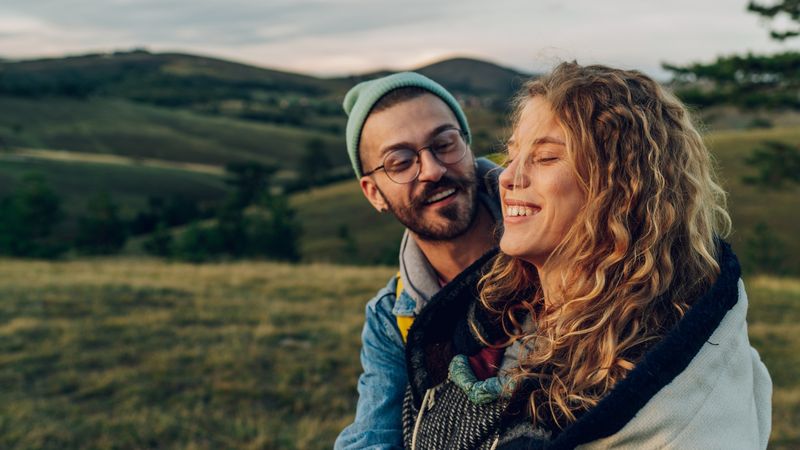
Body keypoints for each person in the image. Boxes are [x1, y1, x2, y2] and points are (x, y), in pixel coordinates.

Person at [402, 62, 772, 449]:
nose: (509, 176)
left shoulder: (662, 371)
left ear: (619, 188)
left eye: (545, 158)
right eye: (511, 154)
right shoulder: (497, 315)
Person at [334, 72, 503, 449]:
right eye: (400, 162)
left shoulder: (563, 244)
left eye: (444, 144)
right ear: (373, 193)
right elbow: (372, 438)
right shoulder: (392, 319)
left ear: (467, 144)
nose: (432, 170)